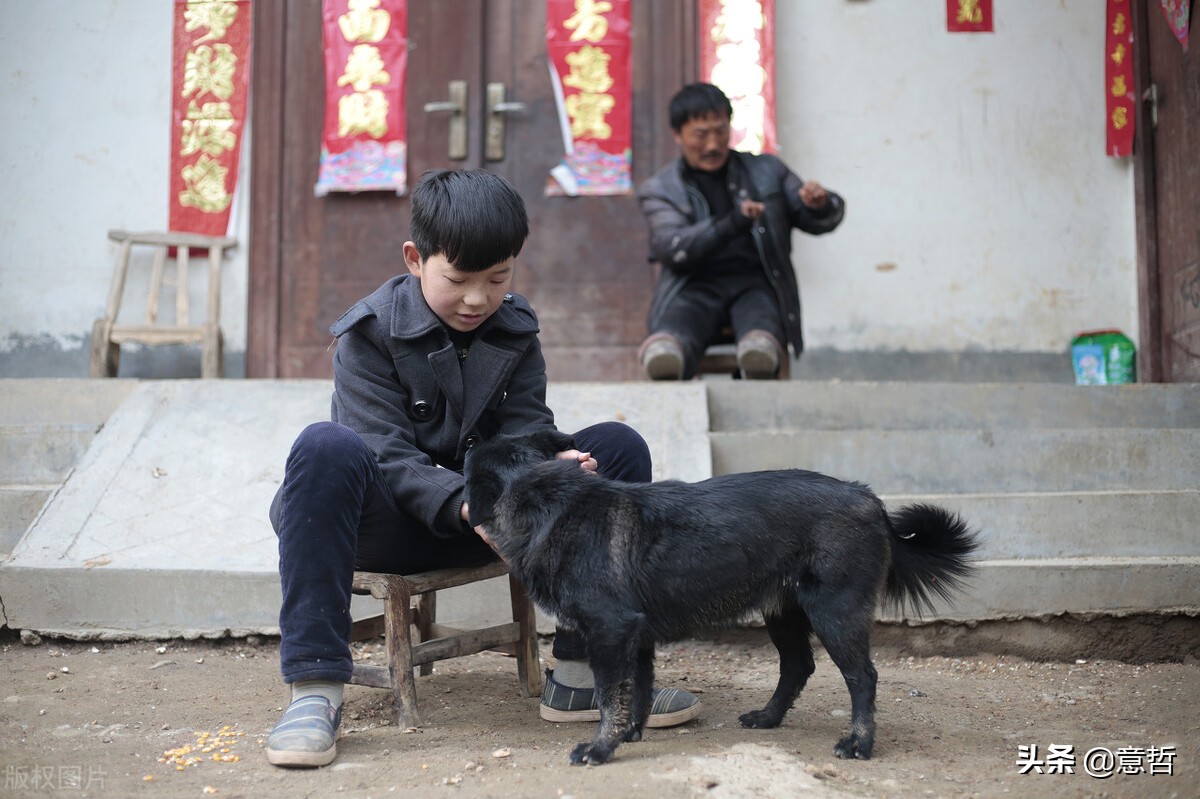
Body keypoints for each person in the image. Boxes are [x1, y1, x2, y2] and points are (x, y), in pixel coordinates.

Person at [265, 169, 699, 769]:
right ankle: (314, 691)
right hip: (391, 528)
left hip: (491, 525)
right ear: (416, 259)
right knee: (324, 447)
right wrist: (474, 501)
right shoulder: (368, 334)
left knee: (617, 447)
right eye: (459, 279)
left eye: (498, 279)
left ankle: (581, 674)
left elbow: (524, 430)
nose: (478, 299)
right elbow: (387, 455)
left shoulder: (515, 329)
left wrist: (555, 468)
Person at [637, 82, 846, 380]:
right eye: (700, 134)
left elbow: (814, 219)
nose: (713, 144)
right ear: (678, 135)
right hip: (693, 285)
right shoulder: (660, 189)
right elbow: (671, 247)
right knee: (676, 330)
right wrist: (733, 222)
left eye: (721, 131)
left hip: (756, 282)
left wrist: (820, 204)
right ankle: (670, 354)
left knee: (760, 325)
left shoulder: (767, 171)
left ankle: (758, 352)